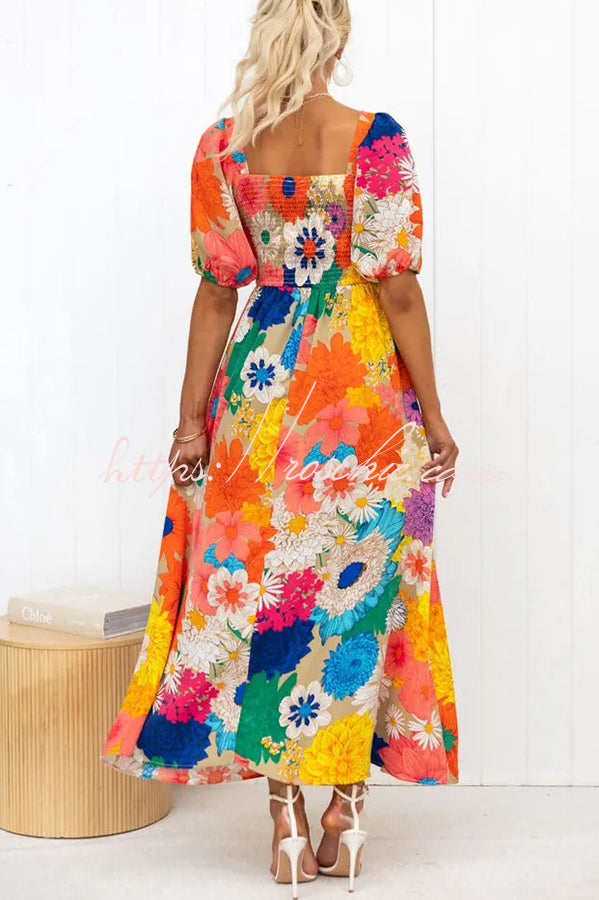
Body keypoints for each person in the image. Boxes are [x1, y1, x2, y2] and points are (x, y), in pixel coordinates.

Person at [101, 0, 459, 895]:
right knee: (356, 600)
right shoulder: (375, 139)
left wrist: (191, 423)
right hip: (359, 396)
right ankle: (348, 811)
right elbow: (397, 289)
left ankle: (287, 824)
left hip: (258, 398)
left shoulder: (223, 148)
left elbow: (215, 294)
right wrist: (435, 418)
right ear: (336, 36)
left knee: (271, 599)